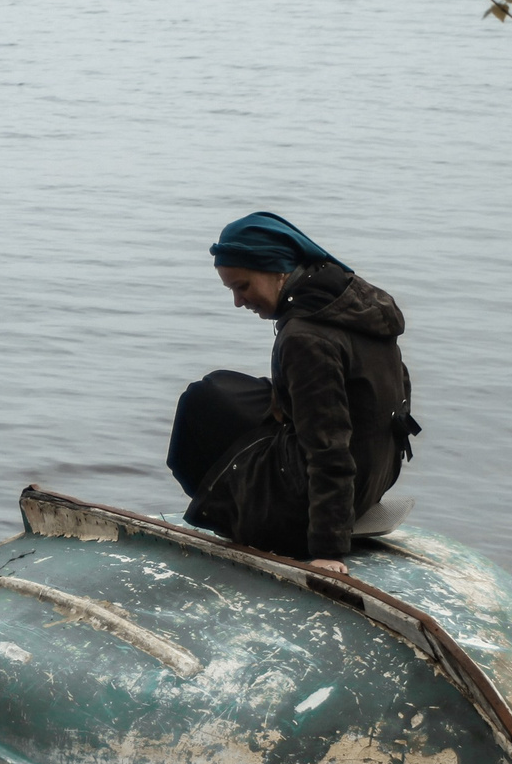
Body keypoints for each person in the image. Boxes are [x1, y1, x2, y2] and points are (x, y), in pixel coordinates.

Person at [166, 211, 416, 569]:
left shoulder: (304, 337)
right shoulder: (354, 305)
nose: (238, 301)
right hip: (372, 481)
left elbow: (329, 444)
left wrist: (327, 551)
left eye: (243, 286)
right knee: (231, 390)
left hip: (303, 509)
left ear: (277, 270)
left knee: (204, 402)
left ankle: (237, 515)